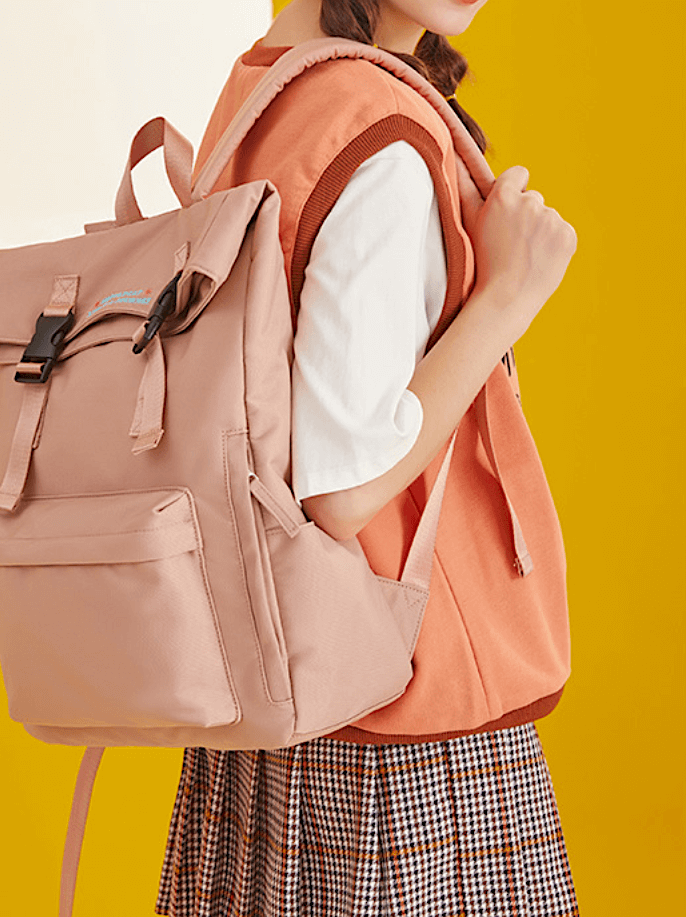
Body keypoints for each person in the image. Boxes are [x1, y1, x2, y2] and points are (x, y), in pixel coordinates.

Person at [155, 1, 580, 914]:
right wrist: (508, 295)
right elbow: (344, 489)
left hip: (279, 700)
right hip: (396, 727)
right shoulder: (378, 130)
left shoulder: (264, 87)